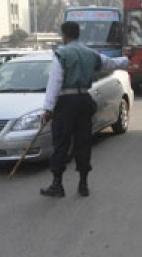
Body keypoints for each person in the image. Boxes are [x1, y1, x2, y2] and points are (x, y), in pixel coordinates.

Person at [40, 21, 130, 198]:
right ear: (78, 35)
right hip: (84, 100)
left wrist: (48, 109)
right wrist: (126, 60)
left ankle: (57, 185)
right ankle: (83, 185)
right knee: (83, 142)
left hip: (66, 102)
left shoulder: (61, 54)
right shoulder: (90, 53)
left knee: (61, 144)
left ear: (64, 36)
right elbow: (110, 64)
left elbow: (55, 83)